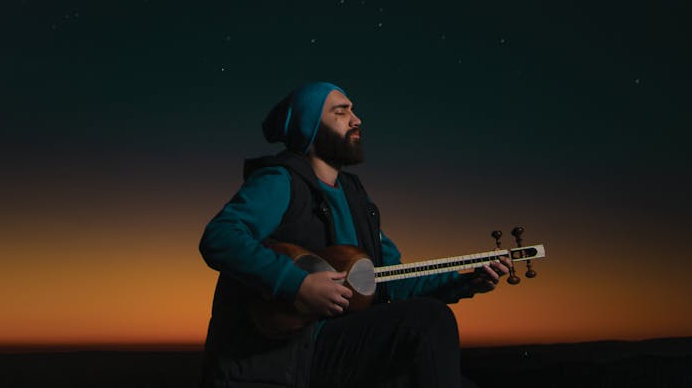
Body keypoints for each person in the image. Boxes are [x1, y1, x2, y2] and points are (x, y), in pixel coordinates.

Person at [199, 81, 510, 388]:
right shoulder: (280, 181)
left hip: (339, 344)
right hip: (288, 354)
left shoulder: (357, 199)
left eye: (354, 110)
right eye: (341, 111)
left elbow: (391, 279)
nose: (357, 119)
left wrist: (466, 280)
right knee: (429, 320)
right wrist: (298, 285)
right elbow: (220, 237)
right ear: (310, 127)